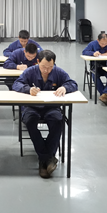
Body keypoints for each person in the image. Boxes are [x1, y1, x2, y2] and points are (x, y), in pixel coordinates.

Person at [13, 50, 78, 179]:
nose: (46, 70)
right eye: (43, 67)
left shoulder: (58, 72)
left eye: (50, 67)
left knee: (58, 121)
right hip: (32, 107)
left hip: (51, 107)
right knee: (30, 121)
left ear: (54, 64)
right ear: (38, 62)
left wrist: (65, 88)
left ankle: (44, 161)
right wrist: (28, 89)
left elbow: (72, 83)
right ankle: (48, 158)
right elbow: (16, 84)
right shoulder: (30, 71)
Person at [82, 32, 107, 105]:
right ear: (98, 40)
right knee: (95, 76)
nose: (104, 45)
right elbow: (84, 51)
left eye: (105, 43)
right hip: (96, 67)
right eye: (102, 43)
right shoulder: (92, 44)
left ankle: (105, 94)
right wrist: (93, 53)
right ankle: (104, 94)